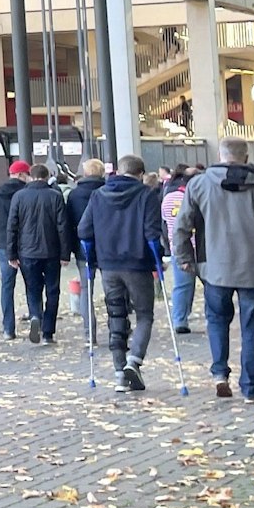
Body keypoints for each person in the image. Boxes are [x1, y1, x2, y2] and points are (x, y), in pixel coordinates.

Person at [174, 136, 254, 403]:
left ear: (219, 155)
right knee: (252, 327)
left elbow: (182, 225)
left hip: (213, 267)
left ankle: (219, 373)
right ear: (247, 157)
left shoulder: (199, 184)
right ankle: (250, 387)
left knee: (216, 320)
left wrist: (184, 256)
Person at [77, 155, 164, 391]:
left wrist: (93, 255)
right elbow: (152, 233)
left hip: (109, 267)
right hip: (137, 265)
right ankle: (134, 361)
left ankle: (119, 373)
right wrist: (159, 258)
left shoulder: (99, 194)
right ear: (141, 174)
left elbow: (84, 229)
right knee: (144, 314)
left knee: (116, 315)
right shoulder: (146, 195)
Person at [5, 164, 72, 345]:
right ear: (47, 176)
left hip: (27, 252)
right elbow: (62, 227)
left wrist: (11, 254)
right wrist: (65, 253)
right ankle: (48, 333)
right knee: (52, 290)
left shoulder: (19, 197)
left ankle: (35, 315)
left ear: (30, 176)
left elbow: (12, 227)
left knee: (32, 289)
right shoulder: (55, 197)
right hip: (51, 252)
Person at [0, 162, 31, 339]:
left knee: (7, 286)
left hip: (4, 245)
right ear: (22, 175)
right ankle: (35, 323)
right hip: (26, 244)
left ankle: (8, 329)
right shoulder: (27, 193)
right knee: (31, 285)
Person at [67, 159, 107, 321]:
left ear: (85, 173)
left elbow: (68, 221)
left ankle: (89, 332)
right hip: (108, 247)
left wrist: (69, 248)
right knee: (112, 289)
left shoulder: (74, 194)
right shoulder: (108, 191)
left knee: (86, 289)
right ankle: (118, 329)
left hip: (83, 247)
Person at [160, 168, 196, 333]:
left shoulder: (167, 197)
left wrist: (167, 248)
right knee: (212, 287)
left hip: (177, 247)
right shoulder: (192, 195)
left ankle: (179, 320)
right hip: (200, 246)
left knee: (182, 285)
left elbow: (164, 223)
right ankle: (214, 318)